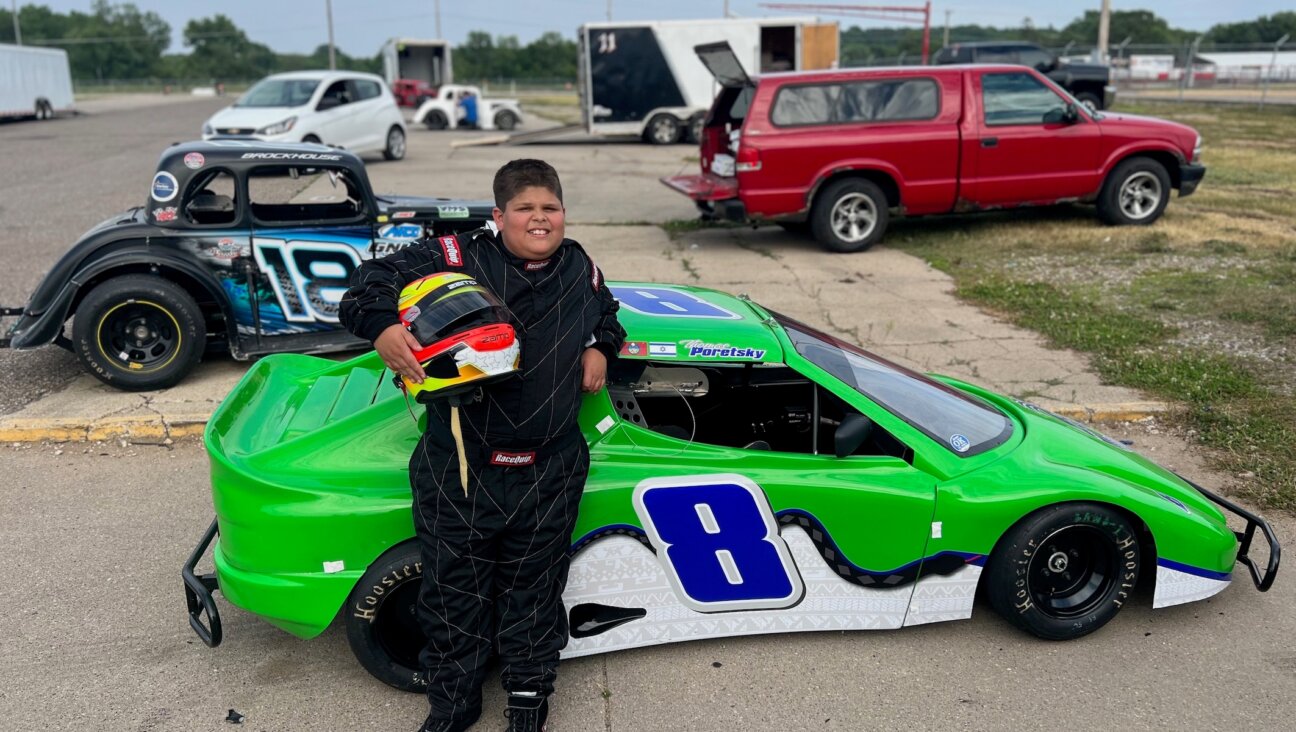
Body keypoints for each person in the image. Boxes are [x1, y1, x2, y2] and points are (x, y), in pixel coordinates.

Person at [340, 159, 625, 732]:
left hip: (550, 467)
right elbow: (365, 287)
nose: (539, 219)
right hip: (462, 466)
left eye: (550, 208)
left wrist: (602, 348)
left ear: (563, 213)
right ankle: (453, 707)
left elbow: (609, 315)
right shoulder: (456, 253)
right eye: (525, 209)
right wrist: (382, 327)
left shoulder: (581, 267)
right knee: (452, 597)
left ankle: (527, 701)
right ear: (500, 215)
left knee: (535, 594)